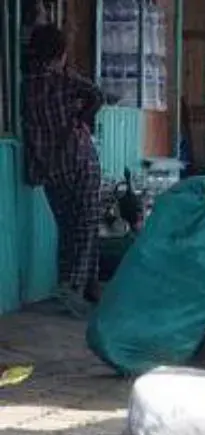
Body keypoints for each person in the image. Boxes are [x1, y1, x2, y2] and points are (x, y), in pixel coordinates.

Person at [22, 24, 106, 319]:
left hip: (50, 168)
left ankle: (78, 285)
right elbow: (97, 94)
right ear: (59, 55)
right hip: (80, 159)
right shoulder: (63, 80)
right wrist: (82, 118)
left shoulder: (24, 85)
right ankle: (74, 288)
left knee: (68, 228)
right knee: (86, 226)